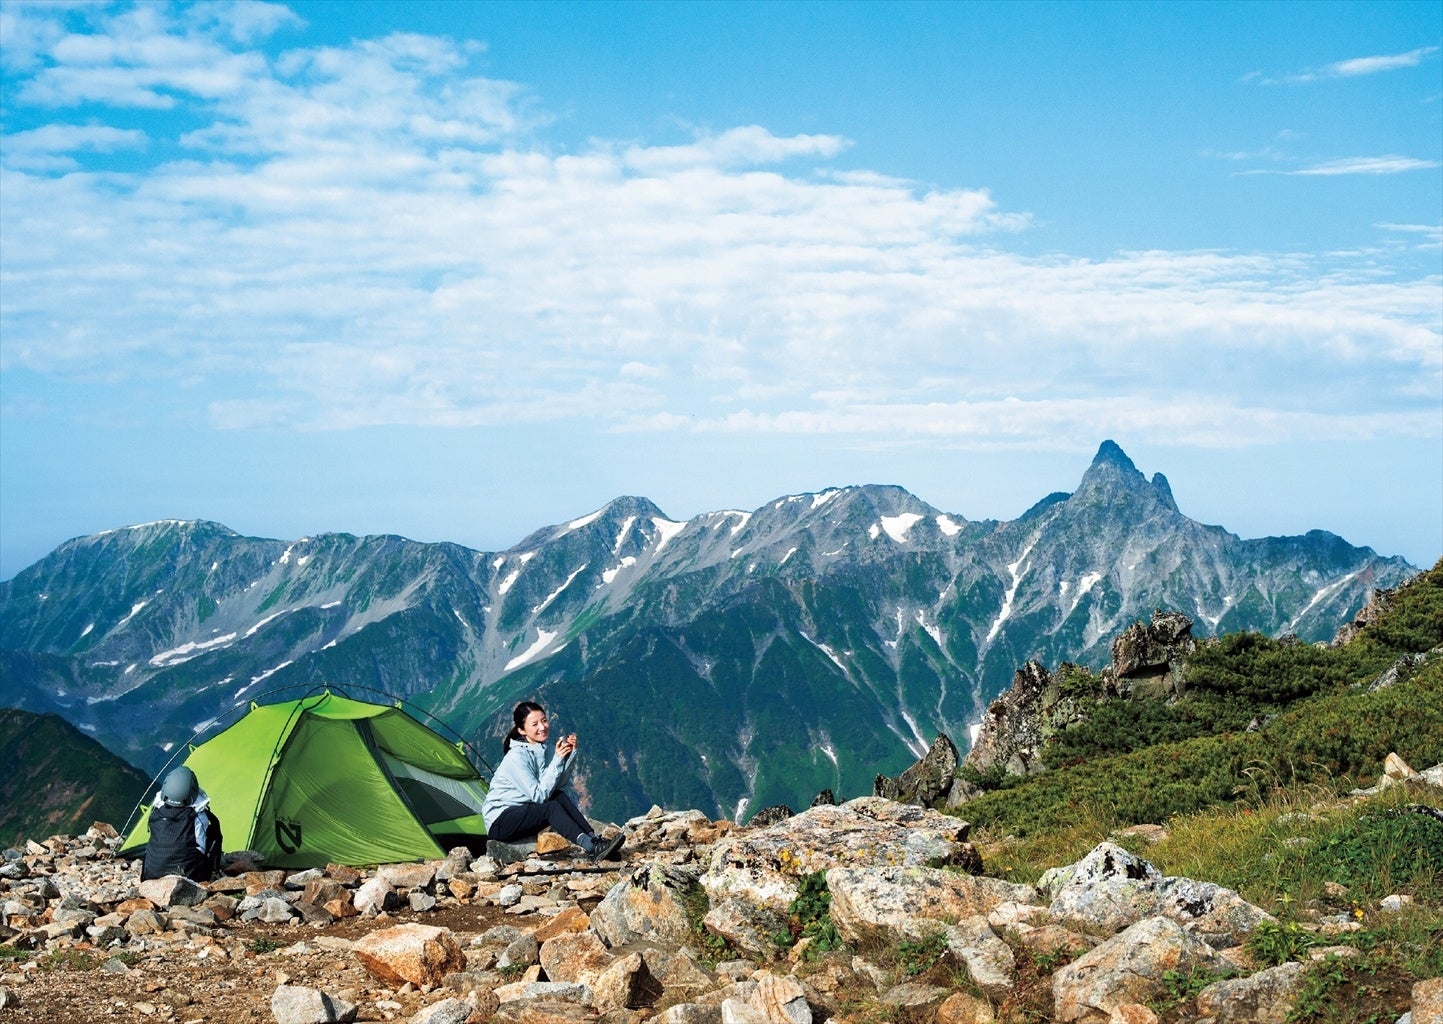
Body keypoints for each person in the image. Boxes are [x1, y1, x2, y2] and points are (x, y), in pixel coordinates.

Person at [481, 701, 624, 861]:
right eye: (534, 724)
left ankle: (593, 840)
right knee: (550, 807)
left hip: (522, 811)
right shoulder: (516, 757)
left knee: (558, 796)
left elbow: (559, 786)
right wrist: (557, 759)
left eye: (544, 720)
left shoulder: (543, 749)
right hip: (500, 822)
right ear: (522, 730)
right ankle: (591, 847)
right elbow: (539, 796)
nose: (542, 727)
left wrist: (569, 755)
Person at [141, 766, 224, 881]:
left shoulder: (157, 807)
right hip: (191, 876)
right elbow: (203, 847)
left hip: (151, 875)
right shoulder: (198, 812)